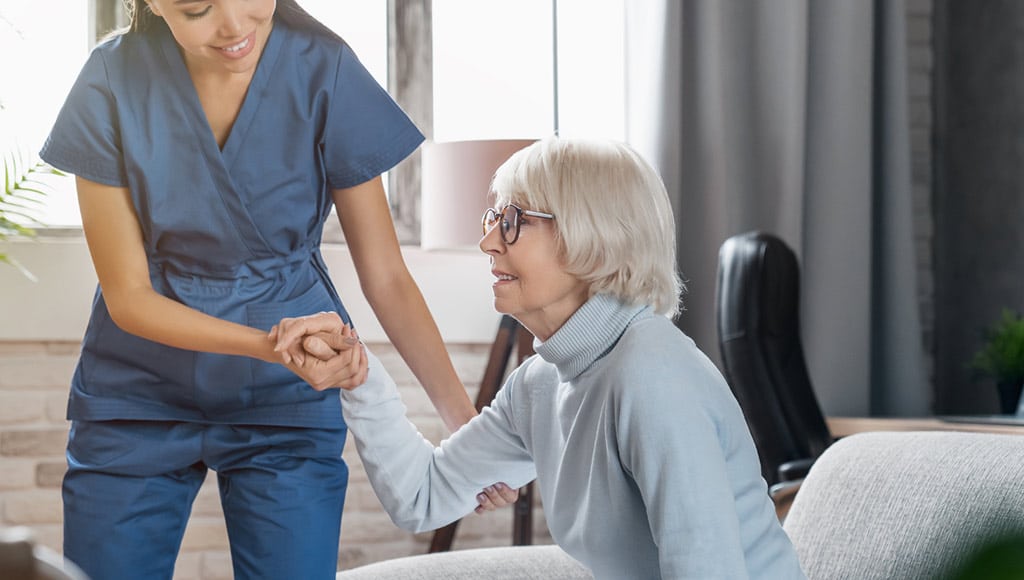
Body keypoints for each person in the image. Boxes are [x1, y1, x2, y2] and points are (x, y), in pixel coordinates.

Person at [39, 1, 512, 578]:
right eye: (197, 9)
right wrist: (271, 346)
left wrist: (464, 427)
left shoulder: (324, 68)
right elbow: (129, 296)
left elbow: (385, 276)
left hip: (287, 399)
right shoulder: (109, 80)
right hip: (140, 387)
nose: (235, 25)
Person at [276, 137, 808, 578]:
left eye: (512, 220)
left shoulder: (652, 375)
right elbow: (424, 496)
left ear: (593, 236)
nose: (487, 241)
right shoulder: (542, 381)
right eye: (492, 217)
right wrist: (360, 378)